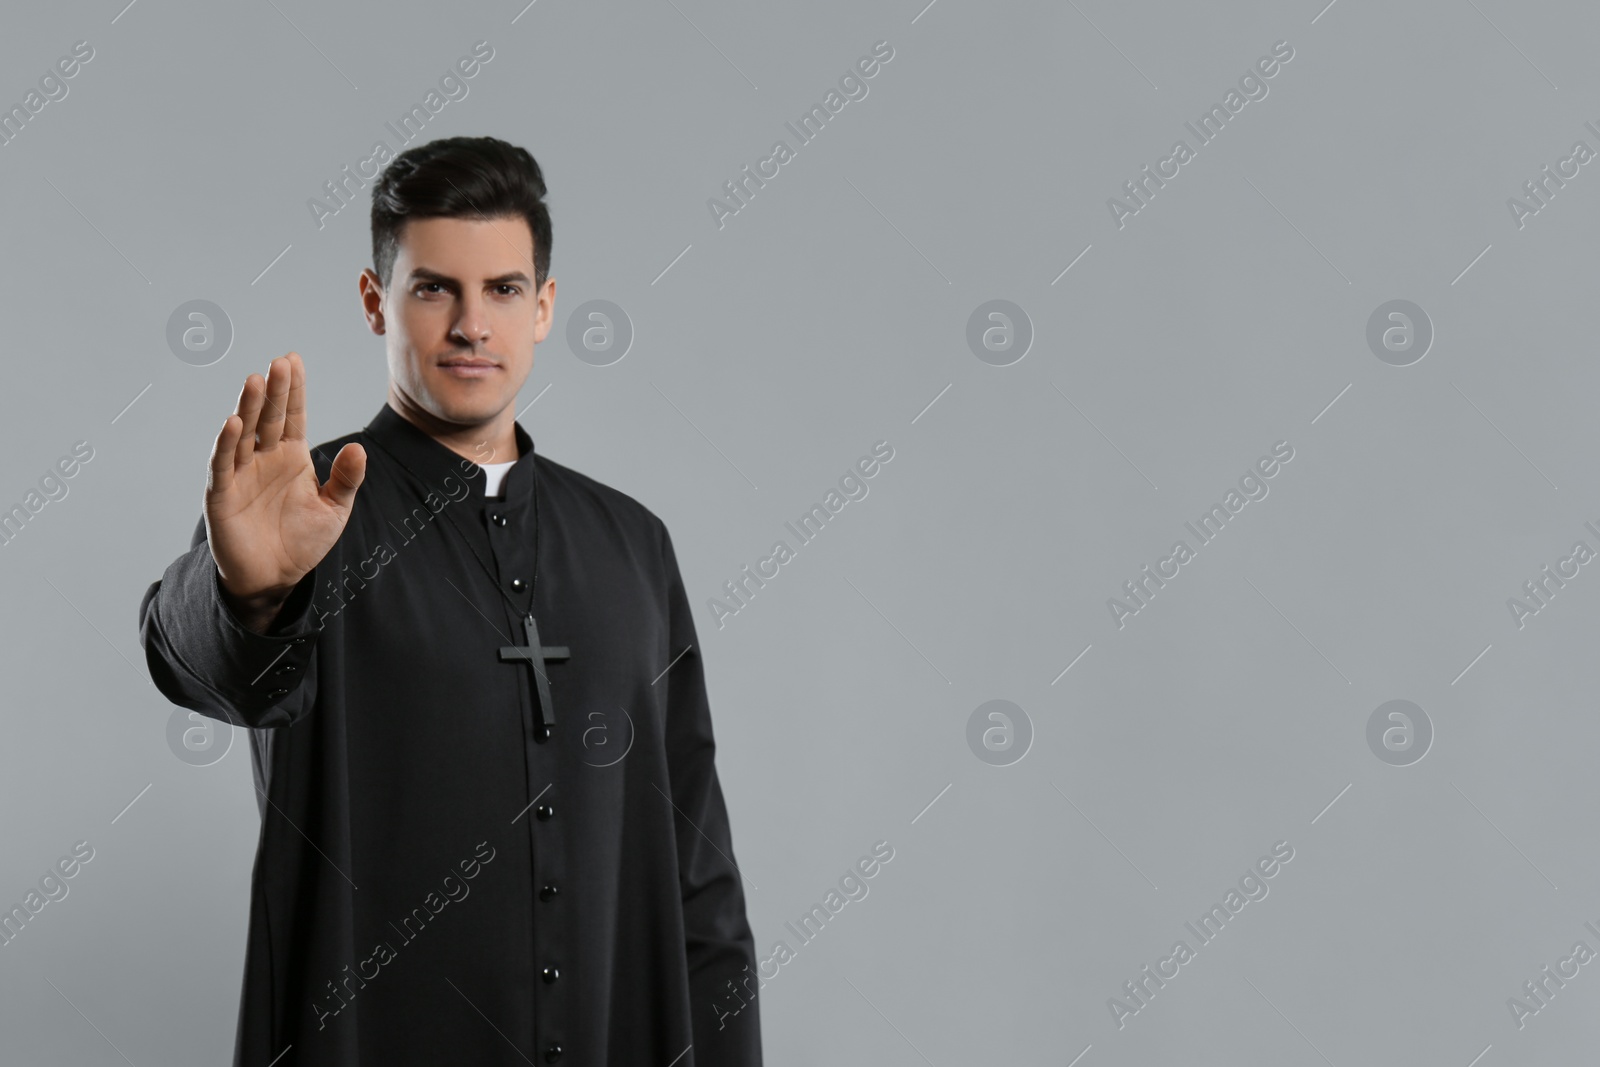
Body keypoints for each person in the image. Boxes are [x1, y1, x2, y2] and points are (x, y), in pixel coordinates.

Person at [138, 135, 763, 1067]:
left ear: (545, 306)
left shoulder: (633, 545)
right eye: (435, 288)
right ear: (373, 301)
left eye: (504, 289)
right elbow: (205, 667)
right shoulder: (306, 508)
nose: (473, 324)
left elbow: (698, 873)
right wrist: (248, 591)